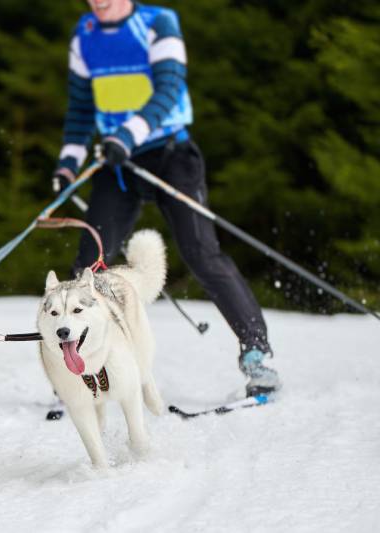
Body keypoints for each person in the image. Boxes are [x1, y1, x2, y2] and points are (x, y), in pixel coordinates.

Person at [51, 0, 280, 399]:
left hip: (170, 154)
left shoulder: (158, 22)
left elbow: (169, 89)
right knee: (90, 263)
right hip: (117, 164)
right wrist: (68, 163)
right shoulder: (84, 35)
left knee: (200, 253)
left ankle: (256, 354)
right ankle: (85, 369)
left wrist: (128, 134)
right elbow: (81, 109)